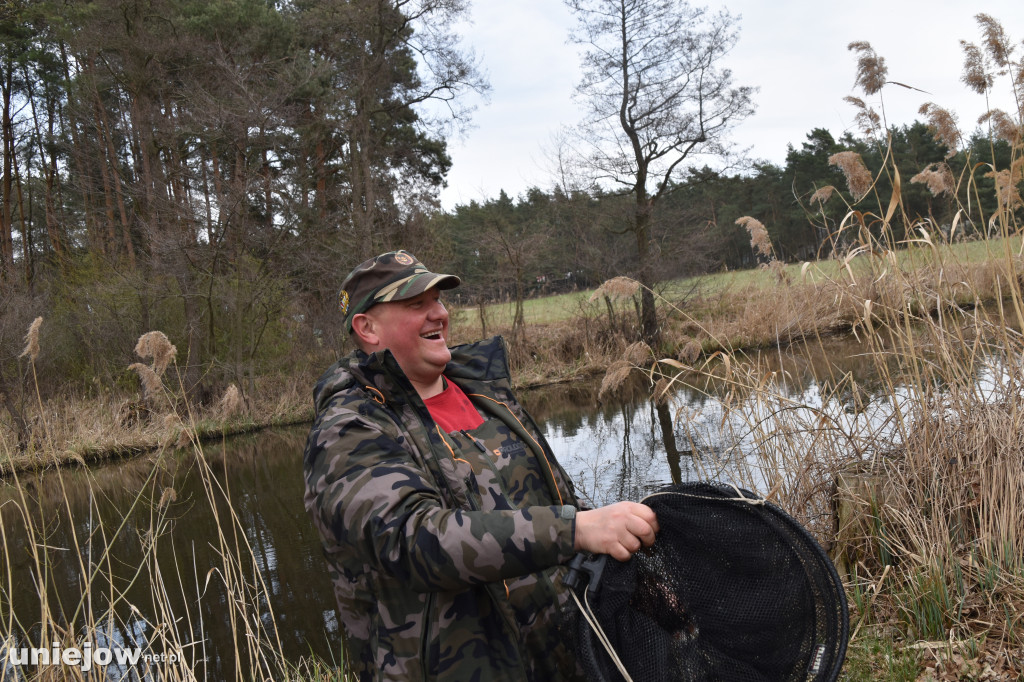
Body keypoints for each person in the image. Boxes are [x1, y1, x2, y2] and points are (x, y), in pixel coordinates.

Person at [303, 250, 658, 682]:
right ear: (368, 327)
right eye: (417, 304)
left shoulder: (487, 395)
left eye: (439, 300)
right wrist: (575, 529)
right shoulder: (348, 429)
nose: (439, 313)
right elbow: (415, 541)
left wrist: (610, 543)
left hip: (564, 657)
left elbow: (556, 500)